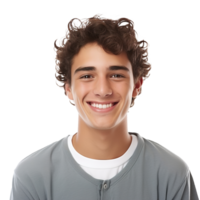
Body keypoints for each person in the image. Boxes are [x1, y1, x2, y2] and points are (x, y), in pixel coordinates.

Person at [8, 12, 199, 200]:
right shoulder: (30, 176)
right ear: (68, 89)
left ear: (137, 85)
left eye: (116, 75)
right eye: (87, 76)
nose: (102, 90)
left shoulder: (173, 174)